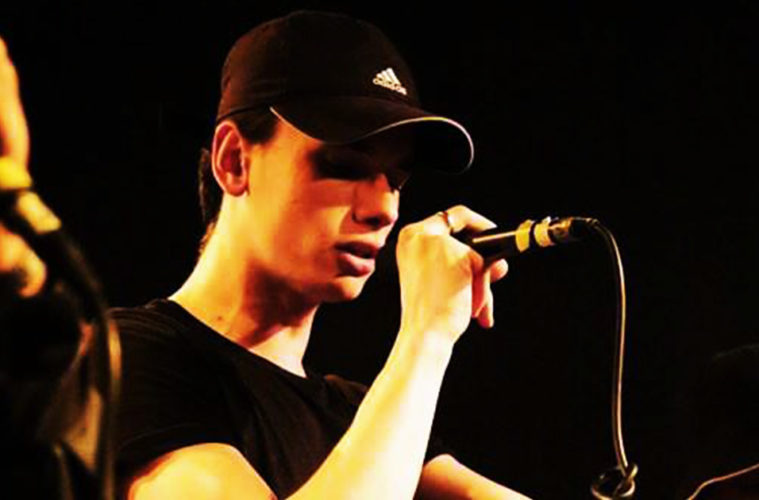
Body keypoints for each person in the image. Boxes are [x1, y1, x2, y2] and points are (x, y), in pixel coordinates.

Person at [2, 11, 528, 499]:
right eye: (343, 166)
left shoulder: (362, 416)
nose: (384, 209)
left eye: (396, 179)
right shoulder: (129, 360)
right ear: (233, 160)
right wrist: (426, 336)